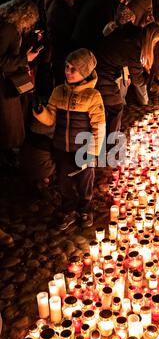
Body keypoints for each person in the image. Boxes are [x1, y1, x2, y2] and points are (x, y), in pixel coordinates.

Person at [33, 48, 106, 230]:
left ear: (85, 72)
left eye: (73, 69)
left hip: (83, 150)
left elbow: (99, 127)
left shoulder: (93, 96)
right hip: (61, 147)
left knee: (84, 181)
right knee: (64, 181)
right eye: (66, 67)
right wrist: (41, 113)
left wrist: (93, 153)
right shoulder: (58, 91)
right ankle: (68, 208)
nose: (68, 71)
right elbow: (51, 119)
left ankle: (85, 208)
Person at [95, 21, 159, 139]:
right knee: (115, 107)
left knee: (110, 105)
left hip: (100, 59)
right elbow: (137, 80)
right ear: (153, 40)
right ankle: (109, 143)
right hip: (102, 69)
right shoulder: (135, 48)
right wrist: (147, 79)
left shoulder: (134, 32)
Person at [0, 0, 39, 167]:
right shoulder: (7, 29)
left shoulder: (9, 26)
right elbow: (1, 60)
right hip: (4, 83)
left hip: (7, 81)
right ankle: (7, 156)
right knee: (8, 121)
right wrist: (25, 58)